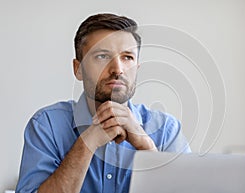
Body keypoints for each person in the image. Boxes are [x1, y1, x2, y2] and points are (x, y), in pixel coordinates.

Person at [16, 13, 191, 193]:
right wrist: (86, 144)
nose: (118, 69)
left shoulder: (167, 131)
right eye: (102, 56)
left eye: (128, 57)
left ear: (137, 68)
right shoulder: (47, 126)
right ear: (78, 69)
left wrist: (147, 148)